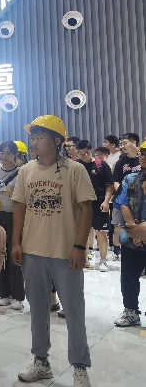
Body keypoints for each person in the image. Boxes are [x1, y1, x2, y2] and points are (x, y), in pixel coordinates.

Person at [11, 115, 95, 387]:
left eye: (39, 137)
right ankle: (41, 361)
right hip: (32, 250)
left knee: (73, 311)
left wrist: (80, 246)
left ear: (56, 140)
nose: (34, 142)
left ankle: (80, 367)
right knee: (38, 310)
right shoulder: (26, 171)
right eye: (32, 137)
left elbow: (86, 209)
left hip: (65, 252)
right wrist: (16, 242)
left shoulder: (75, 170)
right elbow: (20, 207)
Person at [111, 143, 146, 327]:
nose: (144, 156)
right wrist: (135, 231)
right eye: (143, 153)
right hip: (132, 239)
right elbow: (122, 203)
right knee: (128, 277)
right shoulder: (130, 178)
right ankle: (131, 311)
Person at [0, 141, 24, 310]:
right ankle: (4, 293)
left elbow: (22, 195)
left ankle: (18, 295)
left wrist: (8, 192)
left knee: (14, 253)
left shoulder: (21, 172)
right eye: (2, 153)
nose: (5, 156)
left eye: (8, 153)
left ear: (15, 154)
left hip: (14, 214)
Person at [76, 140, 114, 272]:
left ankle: (103, 261)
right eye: (80, 153)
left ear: (91, 151)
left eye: (85, 153)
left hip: (99, 202)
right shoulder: (76, 165)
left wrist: (106, 201)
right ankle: (84, 259)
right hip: (82, 203)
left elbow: (109, 186)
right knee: (83, 233)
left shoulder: (101, 165)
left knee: (101, 232)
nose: (83, 156)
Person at [112, 133, 141, 261]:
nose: (122, 146)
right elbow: (116, 180)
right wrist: (123, 193)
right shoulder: (121, 162)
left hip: (139, 199)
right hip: (123, 199)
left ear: (134, 143)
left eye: (125, 143)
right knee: (121, 226)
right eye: (121, 144)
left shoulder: (142, 159)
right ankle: (119, 251)